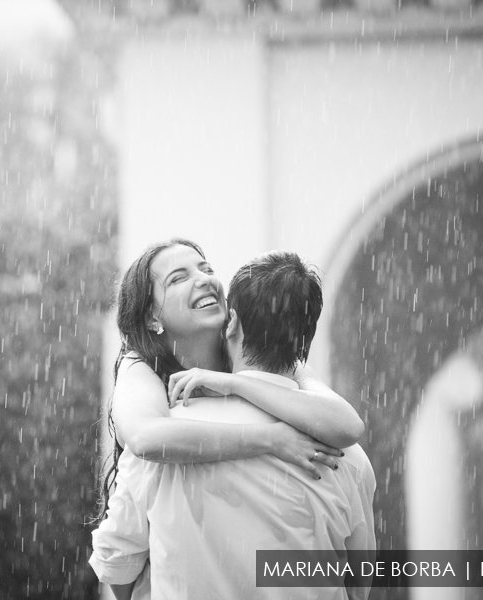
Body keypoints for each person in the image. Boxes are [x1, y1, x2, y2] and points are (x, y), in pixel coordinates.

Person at [89, 240, 368, 599]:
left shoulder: (282, 366)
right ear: (152, 318)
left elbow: (347, 425)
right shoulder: (139, 370)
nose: (204, 279)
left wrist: (233, 383)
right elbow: (145, 438)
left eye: (206, 269)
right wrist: (271, 439)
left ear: (232, 320)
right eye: (178, 278)